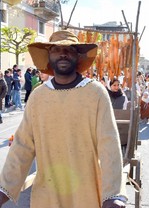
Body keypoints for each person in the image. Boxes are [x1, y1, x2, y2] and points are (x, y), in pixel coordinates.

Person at [0, 30, 126, 208]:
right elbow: (22, 145)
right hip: (47, 193)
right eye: (56, 49)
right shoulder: (38, 96)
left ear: (77, 56)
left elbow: (109, 144)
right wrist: (4, 188)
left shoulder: (96, 93)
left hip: (87, 192)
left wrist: (113, 194)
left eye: (69, 49)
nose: (63, 54)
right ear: (49, 56)